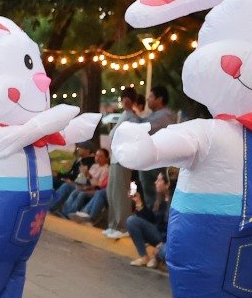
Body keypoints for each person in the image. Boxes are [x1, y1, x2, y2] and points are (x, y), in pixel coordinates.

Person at [103, 87, 145, 239]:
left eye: (128, 98)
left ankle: (123, 226)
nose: (125, 100)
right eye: (123, 97)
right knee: (112, 192)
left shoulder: (133, 117)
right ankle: (113, 224)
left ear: (132, 101)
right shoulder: (124, 115)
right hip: (115, 158)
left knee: (120, 193)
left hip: (124, 158)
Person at [138, 84, 177, 210]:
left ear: (159, 99)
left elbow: (142, 129)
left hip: (155, 161)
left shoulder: (163, 116)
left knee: (154, 192)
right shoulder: (160, 114)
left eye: (150, 97)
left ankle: (155, 217)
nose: (147, 100)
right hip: (155, 160)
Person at [126, 172, 172, 268]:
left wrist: (163, 243)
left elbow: (173, 229)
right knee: (131, 221)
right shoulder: (159, 199)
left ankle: (158, 256)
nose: (155, 182)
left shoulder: (174, 203)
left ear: (167, 185)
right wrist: (139, 202)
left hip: (169, 240)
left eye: (159, 180)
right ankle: (144, 257)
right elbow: (151, 219)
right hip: (158, 235)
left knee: (166, 251)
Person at [65, 146, 110, 222]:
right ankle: (66, 212)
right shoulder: (94, 166)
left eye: (100, 156)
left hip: (93, 189)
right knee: (71, 188)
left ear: (106, 158)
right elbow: (83, 180)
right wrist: (83, 175)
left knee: (81, 193)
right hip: (85, 186)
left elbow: (99, 185)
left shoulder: (106, 169)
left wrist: (88, 175)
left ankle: (70, 213)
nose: (97, 158)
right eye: (96, 155)